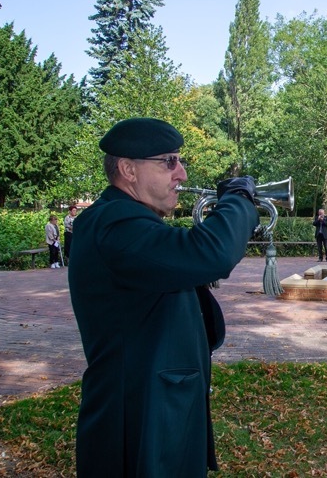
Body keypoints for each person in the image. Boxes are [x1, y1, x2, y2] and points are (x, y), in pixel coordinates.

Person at [68, 117, 259, 476]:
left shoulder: (127, 220)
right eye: (168, 161)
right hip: (138, 419)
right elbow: (211, 253)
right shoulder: (115, 225)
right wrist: (238, 198)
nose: (182, 173)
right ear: (128, 169)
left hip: (155, 409)